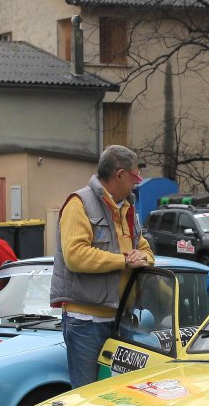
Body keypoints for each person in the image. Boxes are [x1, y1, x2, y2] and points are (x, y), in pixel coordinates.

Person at [51, 145, 153, 388]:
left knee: (122, 394)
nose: (136, 183)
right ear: (120, 174)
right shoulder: (79, 204)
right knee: (88, 395)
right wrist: (124, 261)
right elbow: (75, 256)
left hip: (121, 319)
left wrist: (143, 258)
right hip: (86, 322)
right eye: (135, 176)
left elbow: (146, 251)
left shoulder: (127, 208)